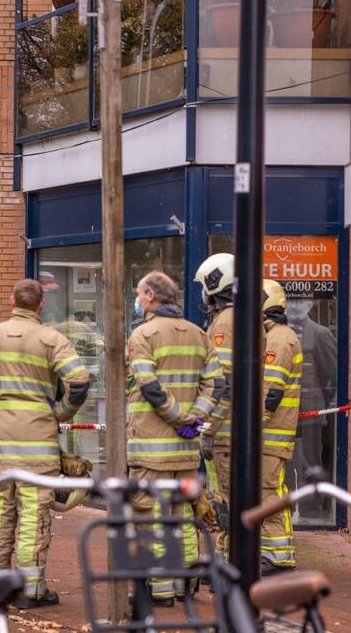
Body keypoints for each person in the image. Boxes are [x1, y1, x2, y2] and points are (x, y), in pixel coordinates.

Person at [0, 279, 90, 609]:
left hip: (0, 445)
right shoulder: (52, 339)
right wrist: (60, 412)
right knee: (33, 519)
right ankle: (32, 590)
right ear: (41, 304)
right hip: (38, 447)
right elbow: (80, 381)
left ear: (12, 301)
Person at [127, 271, 220, 605]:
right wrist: (195, 417)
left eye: (139, 293)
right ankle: (186, 582)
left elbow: (148, 385)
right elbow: (216, 385)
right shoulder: (199, 334)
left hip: (151, 449)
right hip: (186, 448)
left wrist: (179, 416)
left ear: (151, 296)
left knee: (152, 515)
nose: (137, 299)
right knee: (183, 513)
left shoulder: (143, 334)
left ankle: (161, 588)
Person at [193, 253, 237, 556]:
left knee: (224, 502)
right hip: (233, 430)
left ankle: (224, 561)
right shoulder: (241, 317)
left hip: (224, 433)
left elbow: (224, 384)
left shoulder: (225, 323)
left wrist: (208, 430)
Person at [260, 279, 303, 574]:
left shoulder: (279, 339)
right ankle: (270, 551)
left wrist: (252, 427)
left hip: (272, 433)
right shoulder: (273, 335)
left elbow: (271, 393)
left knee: (270, 491)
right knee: (265, 491)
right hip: (269, 433)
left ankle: (280, 556)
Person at [286, 297, 337, 520]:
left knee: (310, 462)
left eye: (300, 302)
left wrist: (322, 401)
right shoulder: (277, 333)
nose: (294, 306)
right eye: (290, 302)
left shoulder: (320, 333)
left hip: (310, 413)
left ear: (310, 305)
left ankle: (312, 512)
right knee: (285, 463)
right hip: (283, 412)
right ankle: (284, 510)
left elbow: (331, 372)